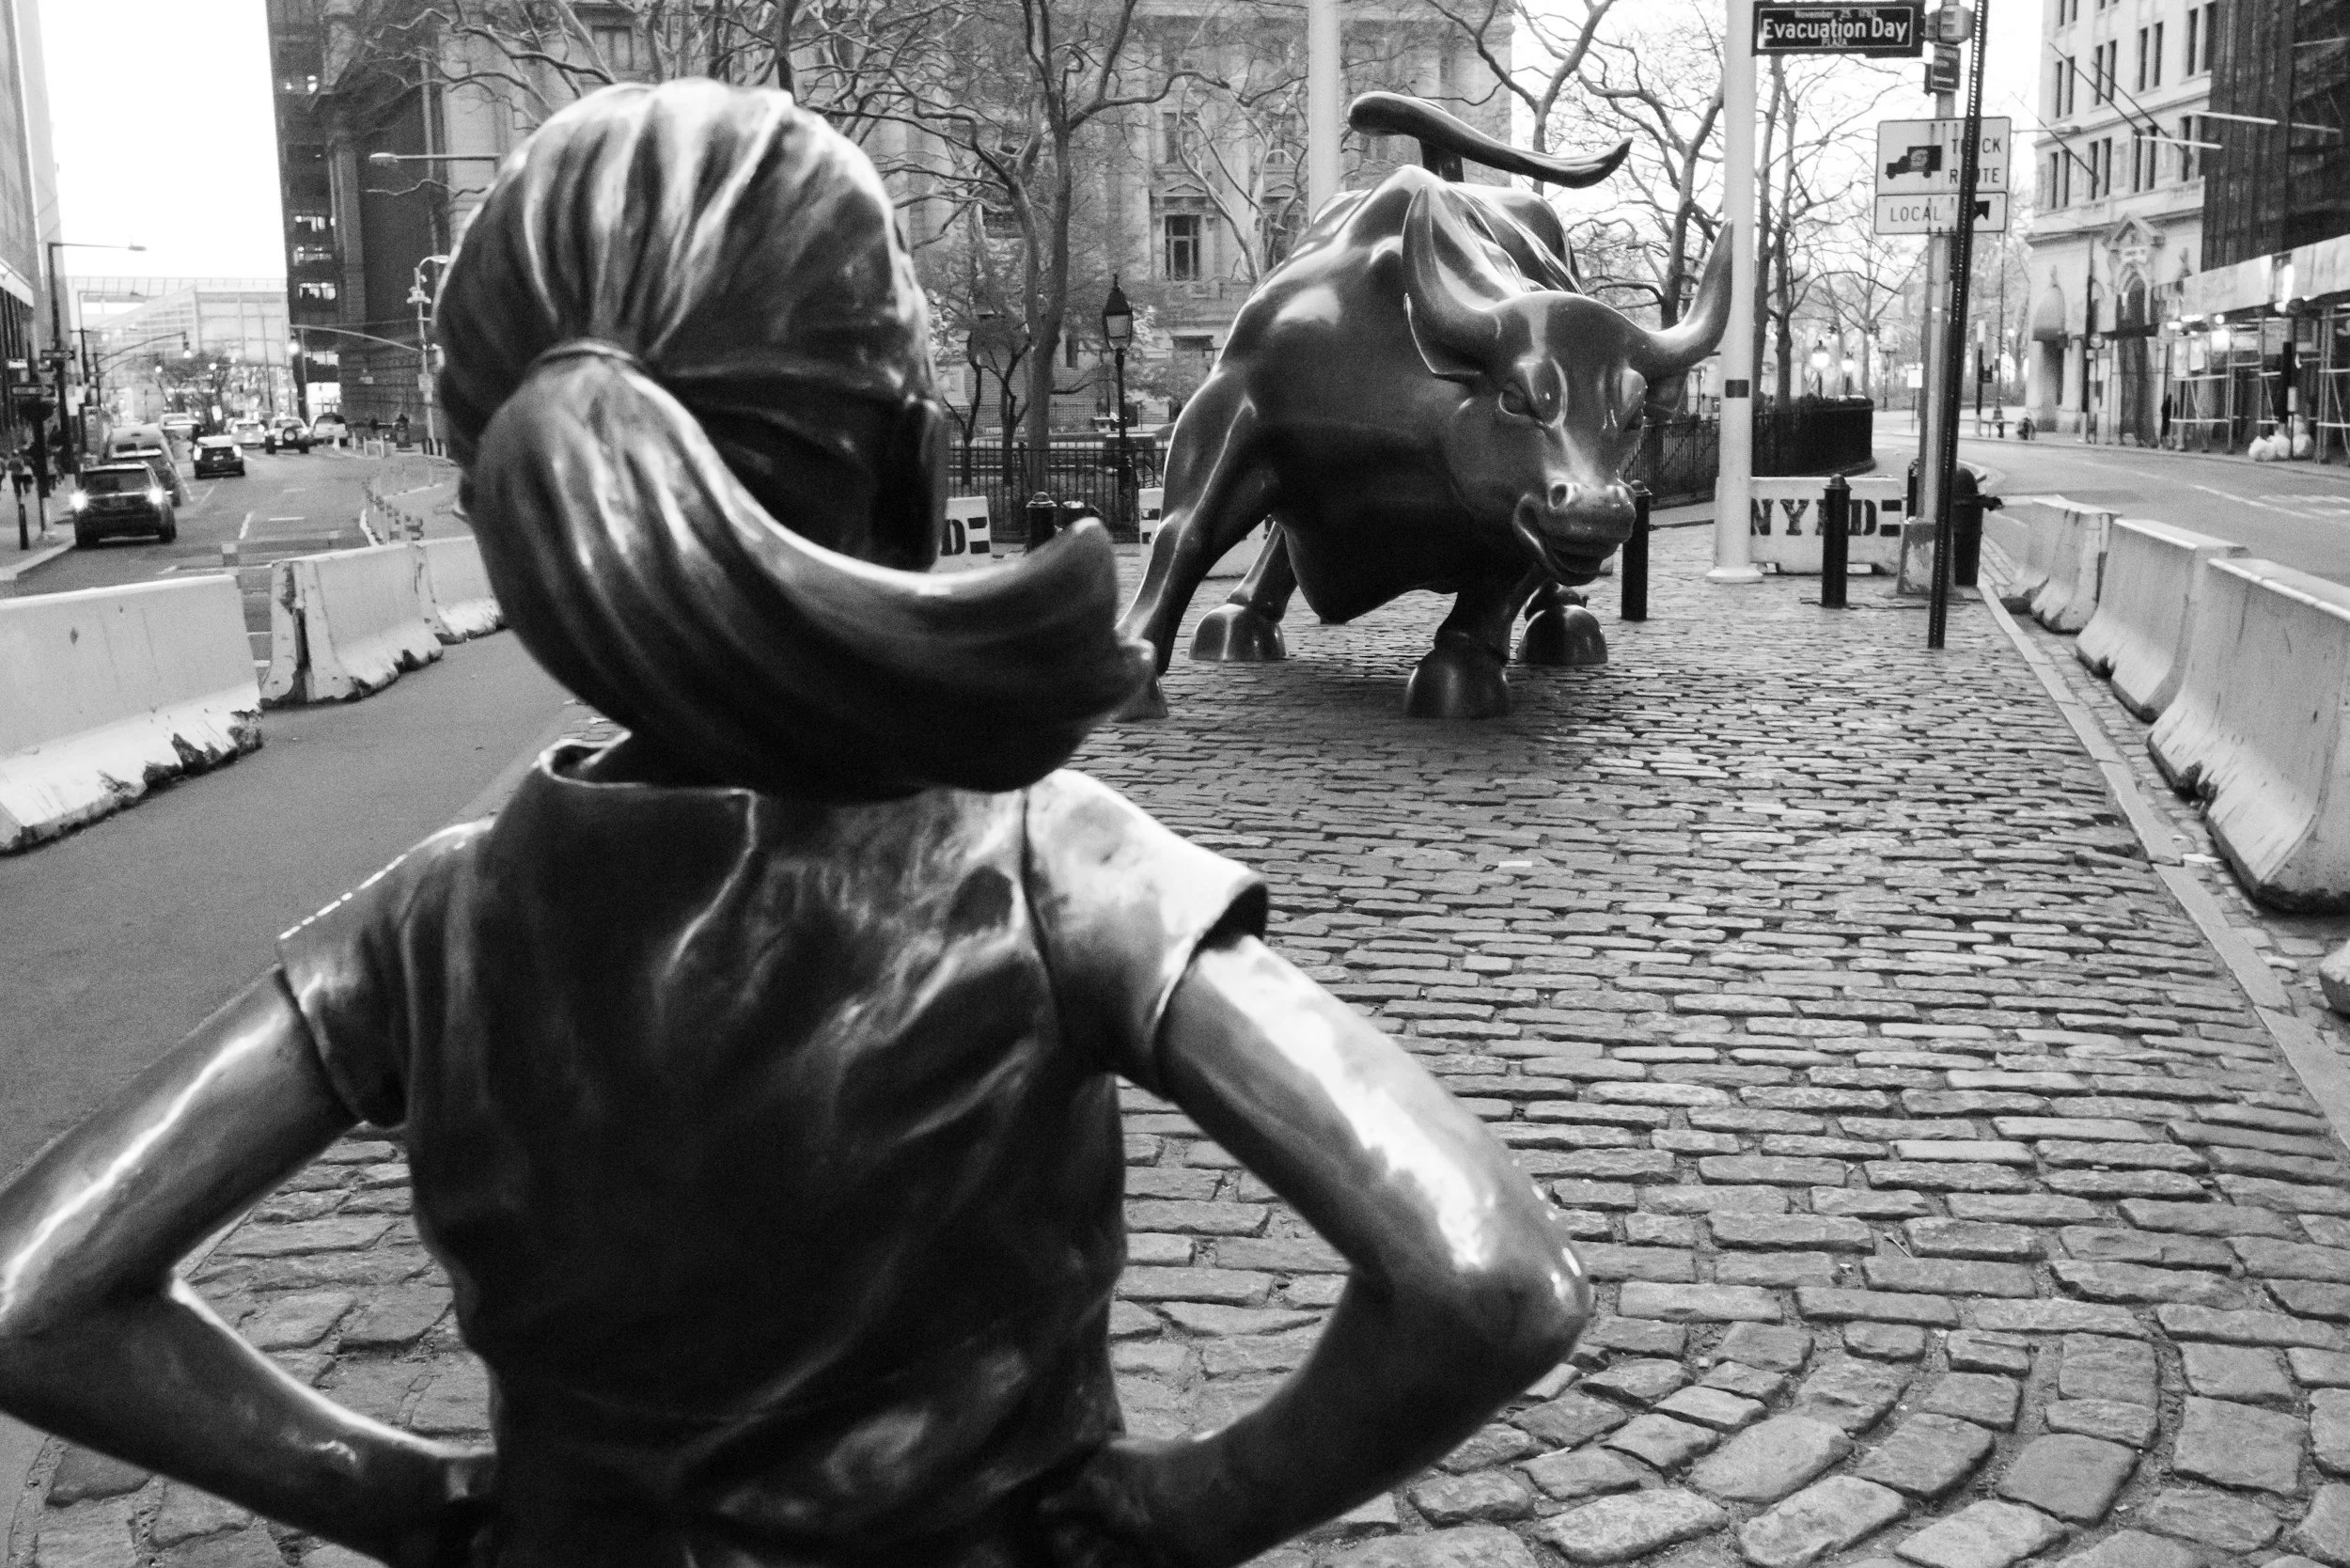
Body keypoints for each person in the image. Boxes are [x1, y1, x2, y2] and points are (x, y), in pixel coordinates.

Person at [0, 81, 1586, 1568]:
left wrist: (421, 1506)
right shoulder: (1056, 868)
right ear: (912, 467)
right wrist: (1171, 1519)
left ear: (509, 525)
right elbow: (1486, 1278)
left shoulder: (433, 924)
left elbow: (32, 1302)